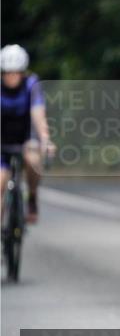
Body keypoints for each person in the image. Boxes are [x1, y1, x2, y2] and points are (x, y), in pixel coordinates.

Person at [1, 44, 54, 224]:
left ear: (23, 72)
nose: (12, 77)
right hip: (2, 140)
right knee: (0, 183)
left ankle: (32, 197)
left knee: (33, 160)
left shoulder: (32, 84)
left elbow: (38, 114)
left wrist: (45, 139)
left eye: (16, 72)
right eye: (7, 73)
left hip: (25, 138)